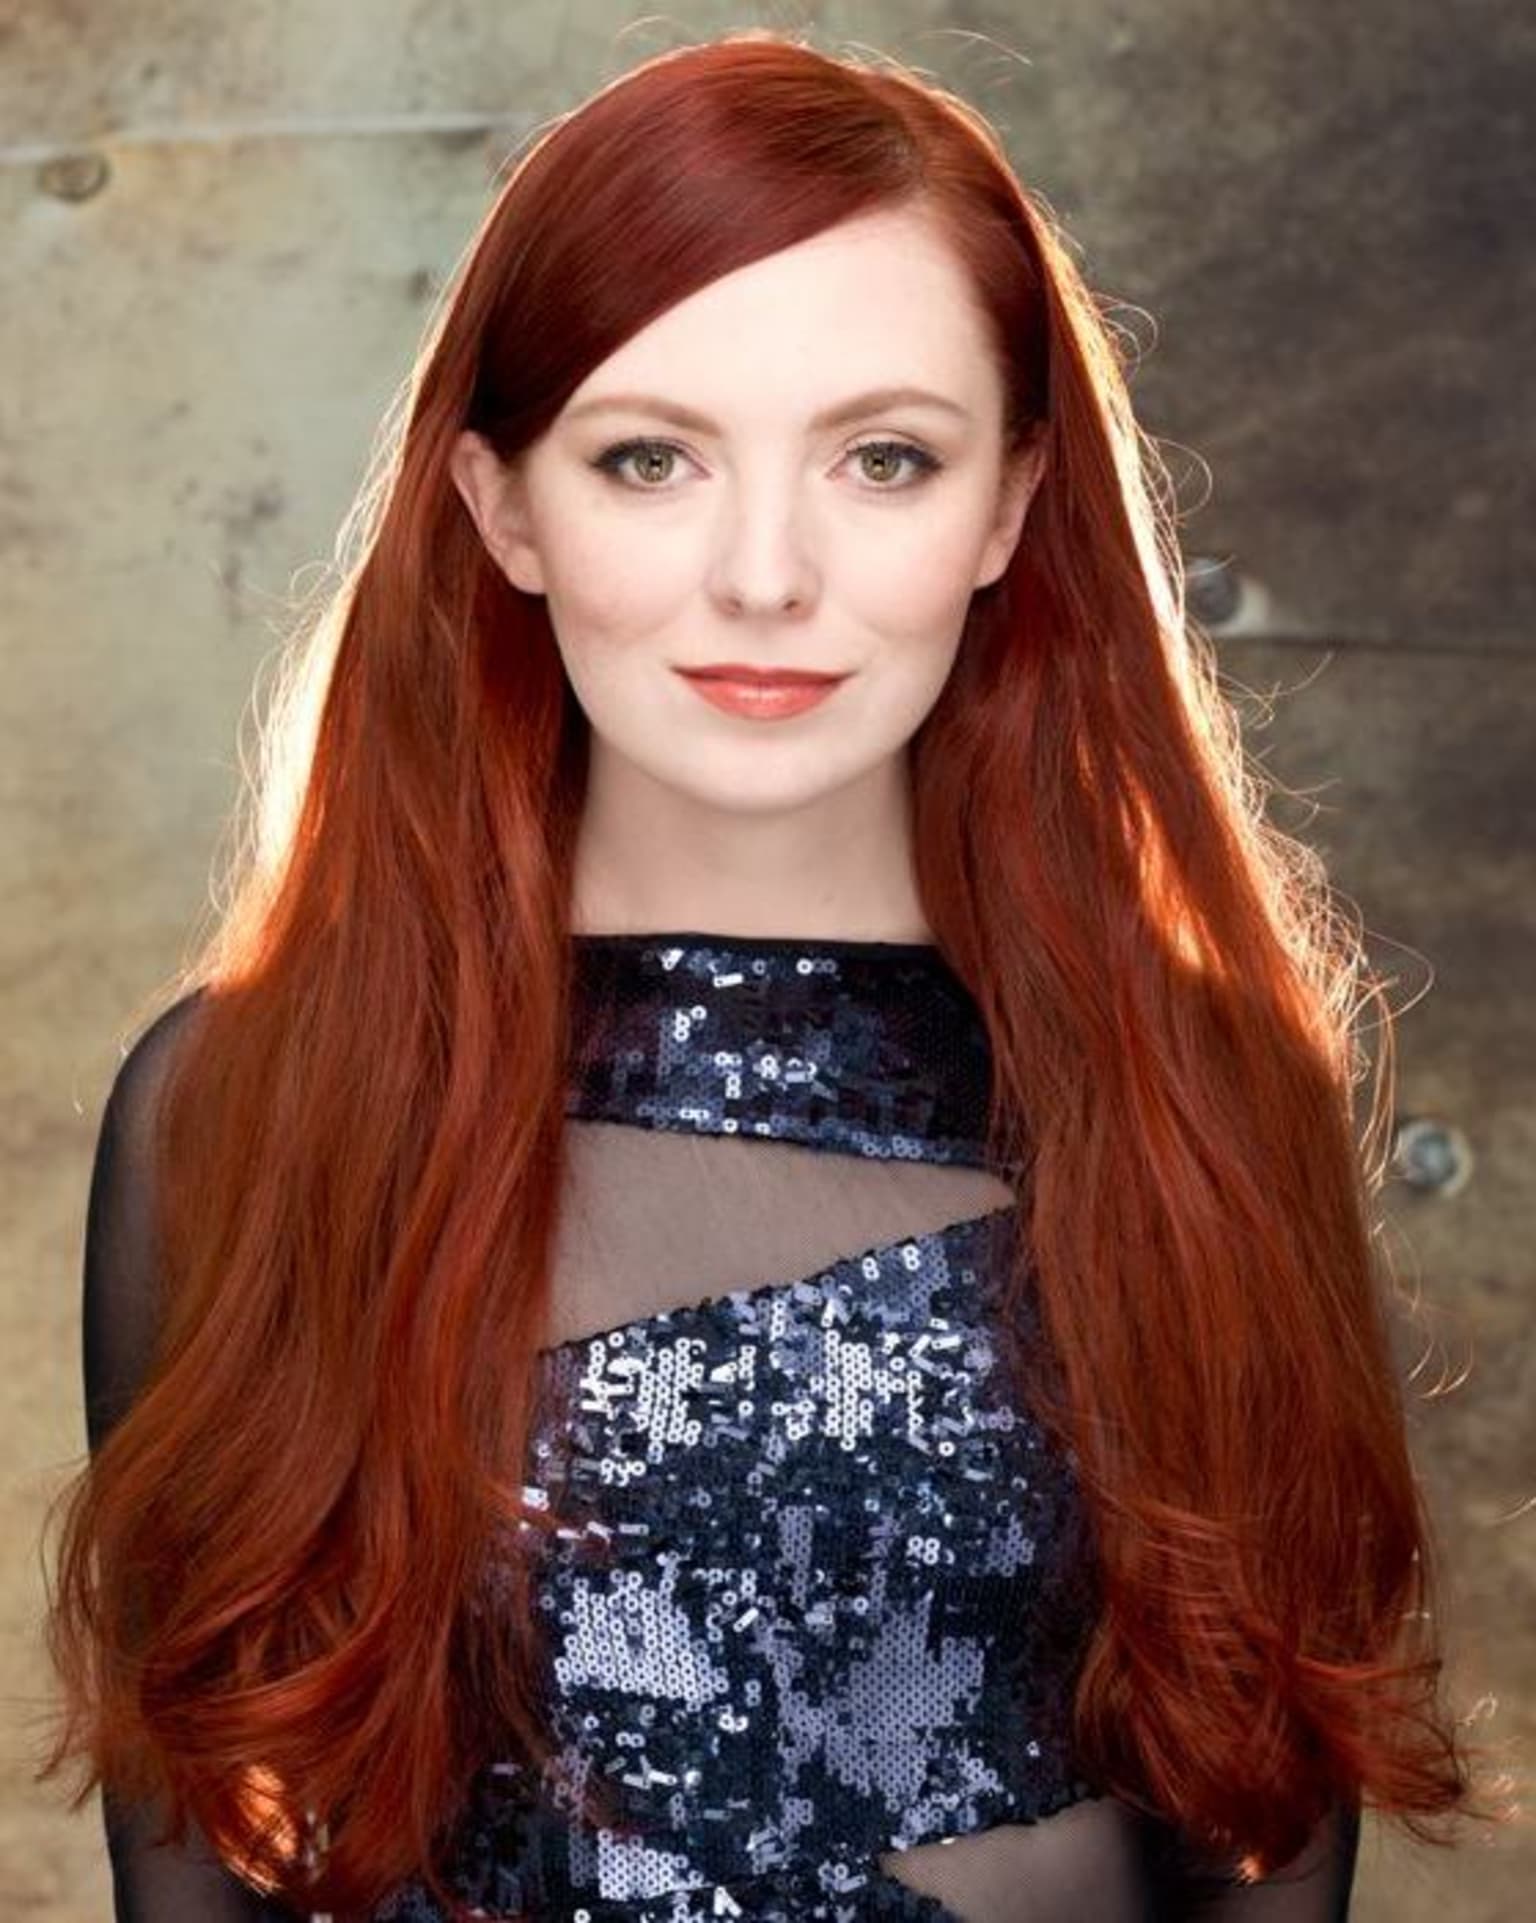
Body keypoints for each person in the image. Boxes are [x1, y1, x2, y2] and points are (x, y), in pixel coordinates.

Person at [37, 27, 1508, 1923]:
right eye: (650, 458)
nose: (763, 575)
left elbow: (1267, 1815)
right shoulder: (241, 1110)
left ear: (1006, 507)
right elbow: (195, 1832)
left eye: (883, 459)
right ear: (502, 506)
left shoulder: (1202, 1098)